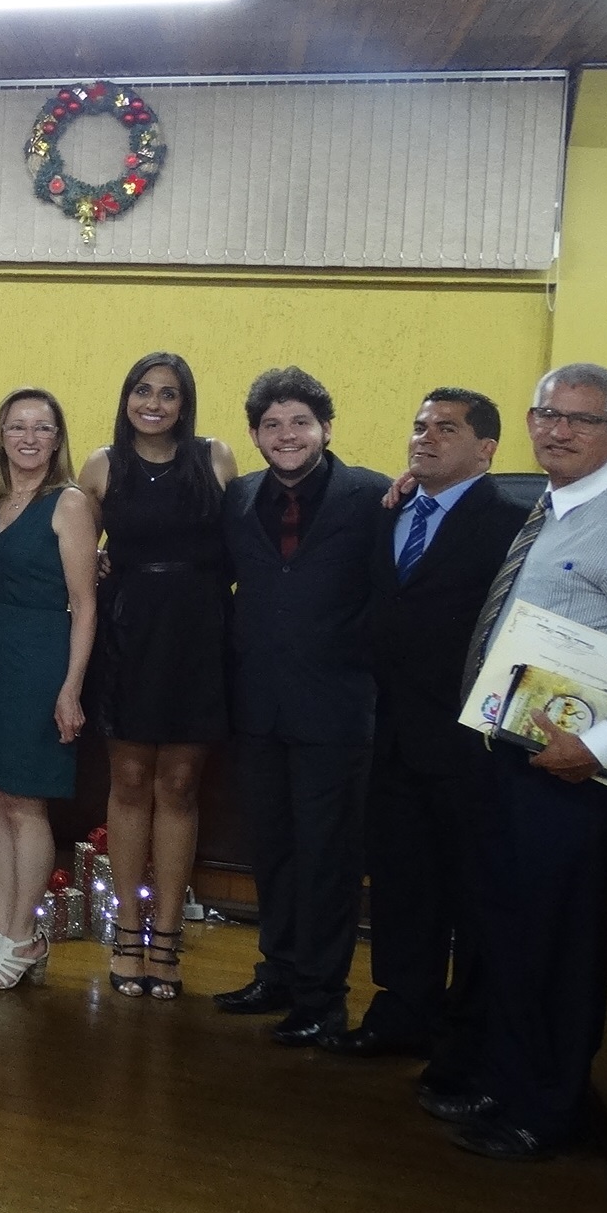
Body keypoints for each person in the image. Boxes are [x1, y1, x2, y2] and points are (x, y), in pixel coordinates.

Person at [438, 365, 607, 1161]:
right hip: (505, 759)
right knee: (503, 934)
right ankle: (503, 1076)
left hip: (562, 776)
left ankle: (546, 1109)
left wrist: (594, 747)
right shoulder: (550, 505)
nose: (557, 430)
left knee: (551, 947)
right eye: (546, 413)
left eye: (581, 421)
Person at [330, 389, 520, 1077]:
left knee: (467, 892)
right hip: (392, 732)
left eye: (447, 428)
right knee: (403, 882)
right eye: (418, 425)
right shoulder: (393, 510)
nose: (425, 437)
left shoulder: (512, 521)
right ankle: (400, 1009)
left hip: (468, 741)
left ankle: (461, 1036)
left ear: (486, 448)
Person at [213, 367, 390, 1043]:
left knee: (327, 860)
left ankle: (321, 996)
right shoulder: (237, 498)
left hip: (337, 711)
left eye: (298, 422)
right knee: (273, 851)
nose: (284, 435)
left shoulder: (372, 496)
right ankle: (278, 971)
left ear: (324, 428)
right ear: (255, 433)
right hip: (256, 709)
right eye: (270, 424)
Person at [77, 352, 236, 1000]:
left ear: (183, 403)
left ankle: (166, 935)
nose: (153, 403)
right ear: (126, 397)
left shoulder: (215, 457)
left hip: (199, 633)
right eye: (142, 390)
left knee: (178, 781)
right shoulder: (100, 464)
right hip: (128, 634)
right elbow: (77, 557)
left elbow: (245, 541)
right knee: (130, 777)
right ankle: (125, 929)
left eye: (167, 394)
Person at [0, 388, 98, 990]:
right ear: (1, 435)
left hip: (40, 661)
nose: (29, 437)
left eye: (42, 428)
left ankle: (25, 935)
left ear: (57, 439)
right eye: (18, 427)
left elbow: (87, 606)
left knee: (26, 801)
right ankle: (3, 927)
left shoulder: (69, 504)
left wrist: (71, 688)